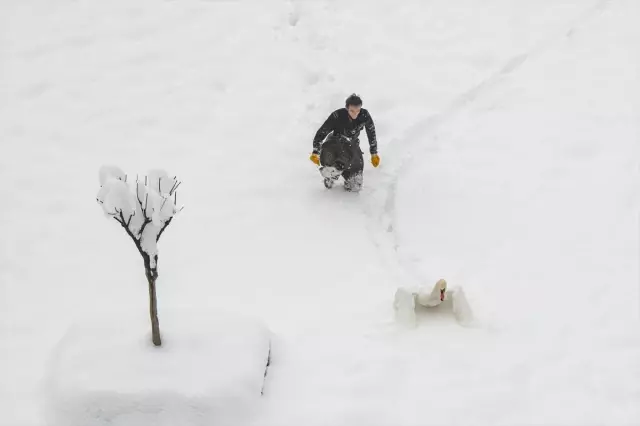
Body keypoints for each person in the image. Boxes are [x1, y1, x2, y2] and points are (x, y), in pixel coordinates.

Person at [309, 94, 380, 191]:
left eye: (358, 111)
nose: (355, 114)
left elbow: (371, 133)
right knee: (331, 158)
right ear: (347, 108)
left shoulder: (364, 115)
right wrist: (315, 151)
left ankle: (348, 177)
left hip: (352, 145)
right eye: (352, 111)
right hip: (334, 144)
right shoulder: (337, 115)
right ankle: (330, 175)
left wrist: (374, 153)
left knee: (355, 186)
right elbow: (322, 132)